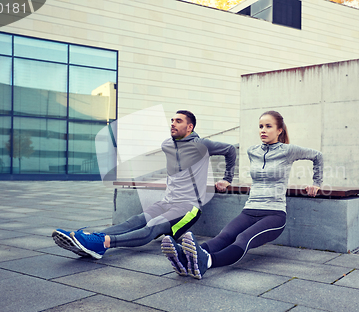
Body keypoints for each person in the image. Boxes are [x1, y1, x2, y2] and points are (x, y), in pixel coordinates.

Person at [52, 110, 236, 259]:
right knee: (135, 220)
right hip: (167, 202)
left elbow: (230, 150)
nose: (172, 123)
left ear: (190, 127)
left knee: (153, 226)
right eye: (172, 120)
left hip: (188, 207)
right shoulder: (167, 145)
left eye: (178, 121)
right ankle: (92, 239)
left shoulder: (202, 145)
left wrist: (227, 179)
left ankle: (103, 243)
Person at [161, 110, 323, 279]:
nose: (263, 130)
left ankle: (206, 262)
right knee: (225, 235)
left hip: (274, 214)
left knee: (243, 238)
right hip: (249, 209)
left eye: (268, 126)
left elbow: (317, 156)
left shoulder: (289, 151)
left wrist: (316, 183)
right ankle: (186, 259)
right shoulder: (253, 151)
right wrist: (227, 179)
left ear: (279, 130)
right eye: (261, 126)